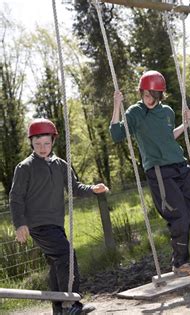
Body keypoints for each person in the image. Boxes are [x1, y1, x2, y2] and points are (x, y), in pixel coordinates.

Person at [110, 70, 190, 277]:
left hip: (181, 166)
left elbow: (168, 136)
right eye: (145, 95)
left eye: (153, 96)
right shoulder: (135, 112)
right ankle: (180, 263)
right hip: (159, 171)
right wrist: (117, 105)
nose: (148, 99)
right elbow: (116, 134)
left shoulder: (168, 112)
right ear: (141, 92)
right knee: (180, 215)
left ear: (160, 95)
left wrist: (186, 124)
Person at [9, 118, 108, 315]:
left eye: (46, 143)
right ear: (31, 143)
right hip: (38, 225)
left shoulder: (61, 165)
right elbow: (16, 198)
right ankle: (71, 304)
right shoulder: (25, 167)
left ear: (53, 141)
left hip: (56, 224)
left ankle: (59, 310)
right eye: (37, 144)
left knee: (56, 264)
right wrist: (20, 224)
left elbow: (76, 188)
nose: (42, 148)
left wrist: (93, 189)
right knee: (66, 255)